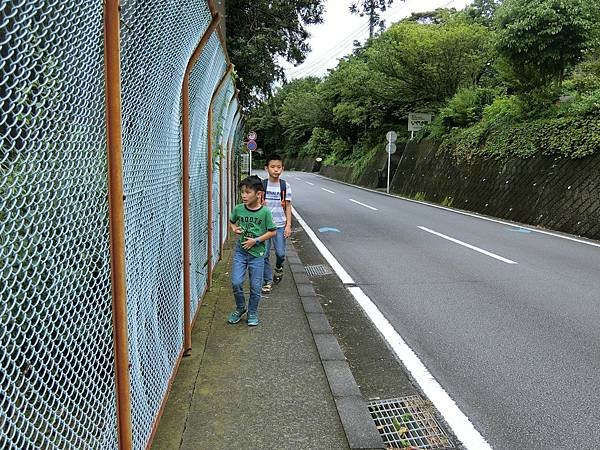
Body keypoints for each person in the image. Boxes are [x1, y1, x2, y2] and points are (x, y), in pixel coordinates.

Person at [228, 175, 277, 326]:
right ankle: (241, 308)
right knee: (236, 282)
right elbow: (231, 221)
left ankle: (253, 311)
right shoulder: (238, 209)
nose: (244, 195)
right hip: (241, 252)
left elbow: (272, 232)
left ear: (258, 194)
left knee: (256, 287)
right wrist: (234, 228)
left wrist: (255, 241)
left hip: (258, 254)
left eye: (248, 192)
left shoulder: (265, 213)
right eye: (242, 192)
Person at [261, 154, 292, 294]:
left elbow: (288, 206)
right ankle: (267, 281)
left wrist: (288, 225)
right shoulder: (262, 185)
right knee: (264, 254)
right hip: (265, 227)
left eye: (278, 167)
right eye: (272, 167)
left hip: (280, 225)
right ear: (266, 168)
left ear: (282, 169)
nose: (276, 170)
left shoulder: (285, 186)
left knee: (280, 253)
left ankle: (279, 267)